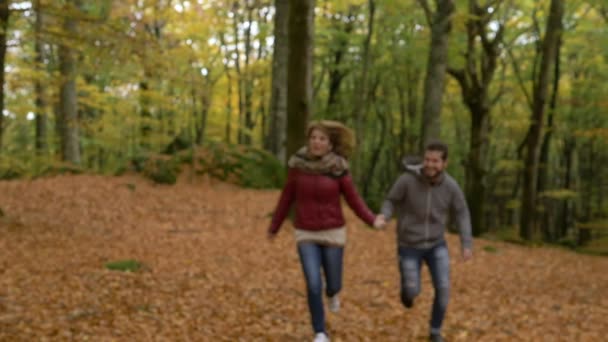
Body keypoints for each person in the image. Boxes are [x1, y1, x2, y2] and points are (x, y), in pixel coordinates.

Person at [268, 120, 382, 342]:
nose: (316, 142)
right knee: (312, 282)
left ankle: (333, 293)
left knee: (334, 282)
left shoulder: (338, 168)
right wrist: (275, 225)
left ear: (330, 144)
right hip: (305, 232)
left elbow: (353, 199)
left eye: (321, 139)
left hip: (333, 232)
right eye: (313, 138)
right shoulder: (297, 166)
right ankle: (320, 331)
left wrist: (371, 219)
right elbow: (286, 197)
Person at [375, 140, 473, 342]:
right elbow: (391, 200)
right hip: (409, 244)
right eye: (427, 159)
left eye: (435, 161)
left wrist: (466, 243)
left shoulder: (451, 186)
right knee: (412, 290)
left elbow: (462, 213)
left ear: (445, 163)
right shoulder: (407, 180)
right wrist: (384, 215)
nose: (430, 164)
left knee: (444, 288)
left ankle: (435, 332)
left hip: (436, 244)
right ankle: (407, 292)